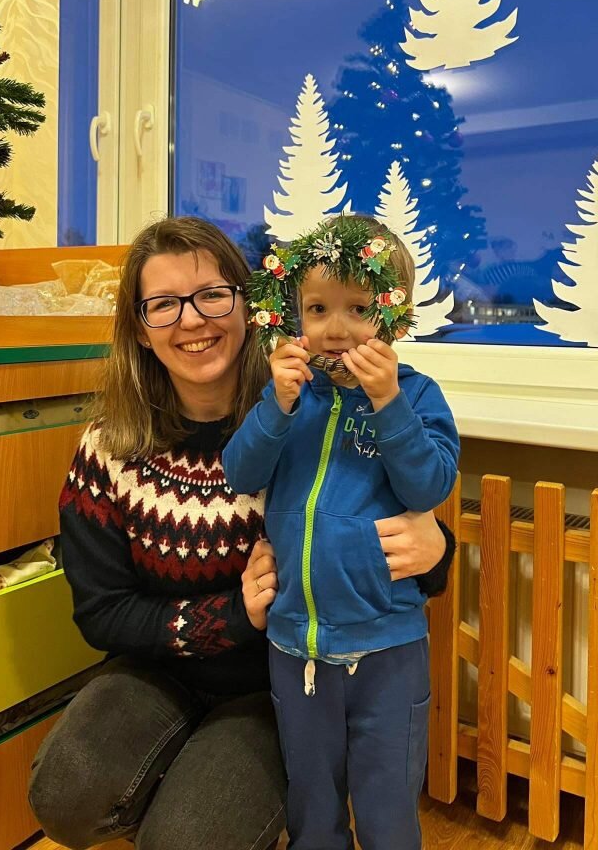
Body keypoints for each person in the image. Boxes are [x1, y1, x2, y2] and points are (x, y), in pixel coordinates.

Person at [28, 216, 452, 850]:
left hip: (275, 679)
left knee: (190, 840)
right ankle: (180, 781)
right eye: (163, 304)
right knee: (68, 790)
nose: (191, 320)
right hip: (163, 671)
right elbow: (101, 611)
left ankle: (207, 797)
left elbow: (385, 499)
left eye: (211, 295)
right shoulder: (118, 444)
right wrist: (229, 617)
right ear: (140, 328)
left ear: (249, 308)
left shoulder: (311, 403)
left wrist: (438, 549)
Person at [223, 214, 460, 850]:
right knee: (312, 807)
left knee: (387, 811)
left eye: (358, 308)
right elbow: (240, 473)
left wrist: (388, 404)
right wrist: (276, 405)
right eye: (318, 308)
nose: (336, 328)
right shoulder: (288, 397)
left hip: (387, 648)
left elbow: (429, 487)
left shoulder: (417, 396)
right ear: (295, 314)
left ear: (394, 314)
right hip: (294, 645)